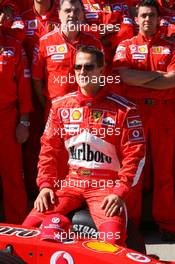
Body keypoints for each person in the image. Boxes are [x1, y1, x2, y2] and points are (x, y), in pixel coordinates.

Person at [23, 45, 145, 246]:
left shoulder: (125, 109)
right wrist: (46, 186)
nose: (82, 72)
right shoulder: (60, 106)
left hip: (106, 186)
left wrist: (119, 192)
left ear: (101, 70)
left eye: (88, 67)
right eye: (77, 67)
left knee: (111, 242)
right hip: (71, 182)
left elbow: (136, 156)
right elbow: (48, 151)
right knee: (28, 229)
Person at [113, 0, 175, 241]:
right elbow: (123, 75)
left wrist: (142, 79)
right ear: (136, 19)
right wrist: (158, 78)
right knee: (133, 172)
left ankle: (168, 224)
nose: (147, 19)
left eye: (151, 15)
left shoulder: (171, 46)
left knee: (165, 172)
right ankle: (132, 223)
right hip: (135, 113)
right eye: (143, 16)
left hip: (164, 113)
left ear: (159, 18)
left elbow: (173, 80)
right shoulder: (125, 46)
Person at [0, 27, 33, 223]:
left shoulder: (13, 46)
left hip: (7, 117)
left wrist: (24, 121)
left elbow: (24, 86)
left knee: (12, 175)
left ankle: (17, 225)